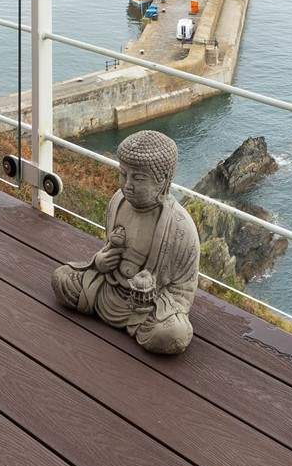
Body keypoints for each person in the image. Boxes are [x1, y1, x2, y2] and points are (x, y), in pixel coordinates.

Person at [51, 129, 198, 354]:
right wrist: (99, 262)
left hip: (148, 305)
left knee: (172, 335)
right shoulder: (118, 202)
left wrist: (151, 285)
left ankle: (133, 323)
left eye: (138, 178)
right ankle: (119, 320)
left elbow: (183, 289)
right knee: (61, 278)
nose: (127, 184)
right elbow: (107, 249)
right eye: (123, 174)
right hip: (109, 288)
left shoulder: (180, 227)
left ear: (164, 181)